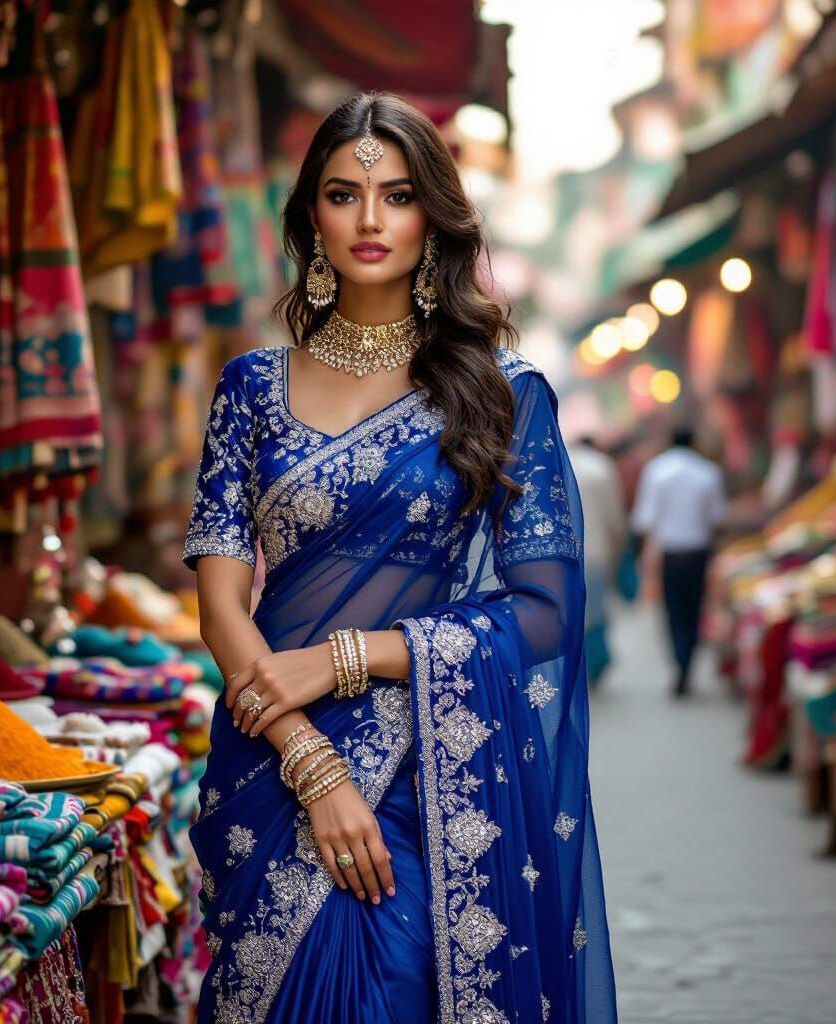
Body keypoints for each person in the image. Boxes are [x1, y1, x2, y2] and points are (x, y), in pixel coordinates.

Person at [183, 92, 616, 1024]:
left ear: (434, 216)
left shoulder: (501, 394)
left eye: (399, 195)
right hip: (271, 757)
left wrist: (344, 658)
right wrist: (313, 765)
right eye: (344, 194)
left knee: (397, 981)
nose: (371, 220)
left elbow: (547, 613)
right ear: (312, 216)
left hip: (425, 771)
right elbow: (221, 606)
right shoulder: (251, 388)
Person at [632, 426, 727, 697]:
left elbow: (644, 519)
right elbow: (717, 517)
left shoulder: (656, 470)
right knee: (693, 609)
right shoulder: (708, 472)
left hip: (670, 553)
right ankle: (687, 663)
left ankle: (679, 661)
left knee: (672, 610)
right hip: (697, 552)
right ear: (694, 442)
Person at [570, 437, 627, 686]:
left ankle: (579, 665)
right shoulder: (602, 467)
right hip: (596, 551)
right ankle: (595, 662)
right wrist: (620, 544)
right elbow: (614, 514)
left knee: (573, 611)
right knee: (595, 609)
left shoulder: (557, 464)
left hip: (564, 554)